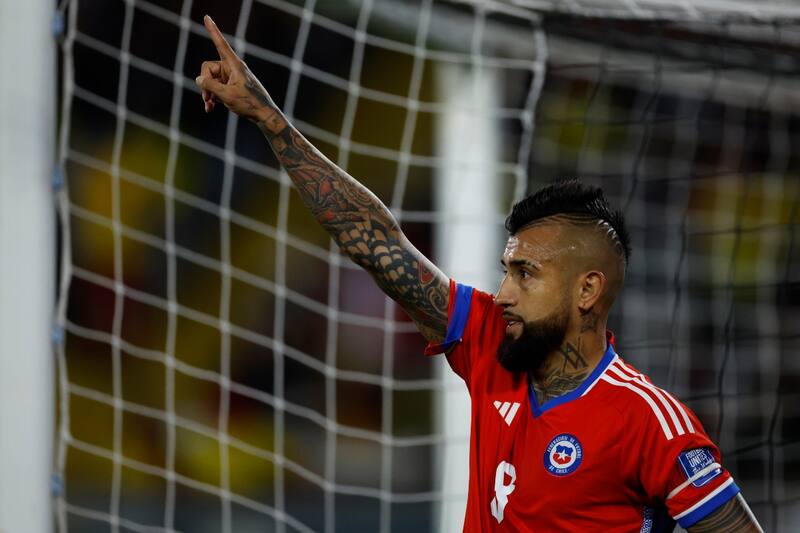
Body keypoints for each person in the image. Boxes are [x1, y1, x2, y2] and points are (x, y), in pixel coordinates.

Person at [195, 15, 764, 532]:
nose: (504, 293)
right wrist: (269, 119)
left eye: (526, 274)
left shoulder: (649, 422)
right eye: (506, 271)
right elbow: (374, 240)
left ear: (588, 289)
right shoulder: (490, 339)